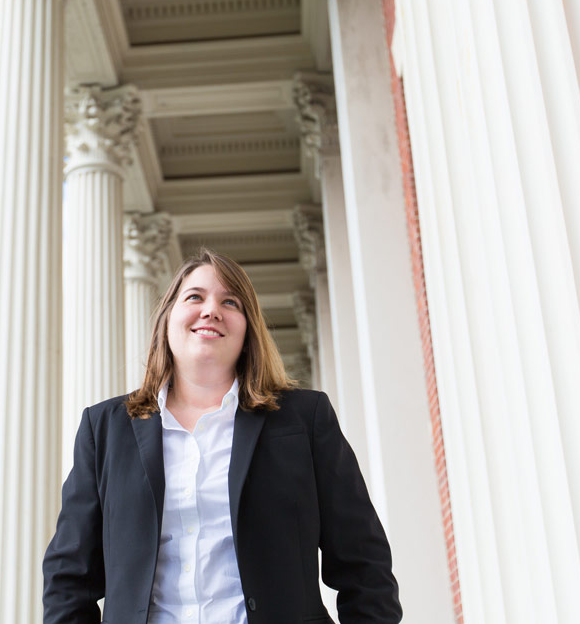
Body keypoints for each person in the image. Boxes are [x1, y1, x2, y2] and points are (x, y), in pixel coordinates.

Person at [43, 248, 401, 623]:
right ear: (167, 319)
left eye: (230, 301)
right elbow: (69, 578)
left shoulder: (304, 420)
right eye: (194, 296)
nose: (210, 309)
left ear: (248, 331)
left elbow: (364, 563)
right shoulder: (104, 429)